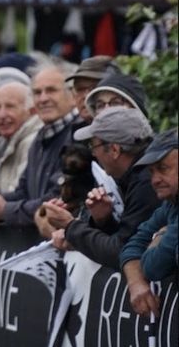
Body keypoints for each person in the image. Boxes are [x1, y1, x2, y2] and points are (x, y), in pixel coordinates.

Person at [43, 108, 159, 268]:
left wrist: (70, 226)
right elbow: (128, 239)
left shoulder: (147, 181)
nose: (94, 154)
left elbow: (122, 253)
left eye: (93, 146)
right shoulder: (134, 174)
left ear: (114, 150)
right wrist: (104, 220)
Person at [0, 63, 81, 227]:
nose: (43, 98)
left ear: (73, 95)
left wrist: (5, 210)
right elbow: (23, 191)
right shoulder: (40, 137)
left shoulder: (79, 135)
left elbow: (56, 199)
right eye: (37, 92)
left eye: (51, 90)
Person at [119, 129, 178, 317]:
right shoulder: (171, 204)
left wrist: (159, 237)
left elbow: (154, 266)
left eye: (163, 168)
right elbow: (133, 244)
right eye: (152, 172)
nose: (154, 180)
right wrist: (136, 282)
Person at [0, 82, 42, 196]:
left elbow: (17, 194)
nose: (1, 115)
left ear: (31, 111)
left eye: (10, 106)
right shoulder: (8, 143)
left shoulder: (32, 142)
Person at [65, 55, 118, 122]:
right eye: (80, 89)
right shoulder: (72, 130)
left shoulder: (132, 129)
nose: (86, 96)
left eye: (94, 88)